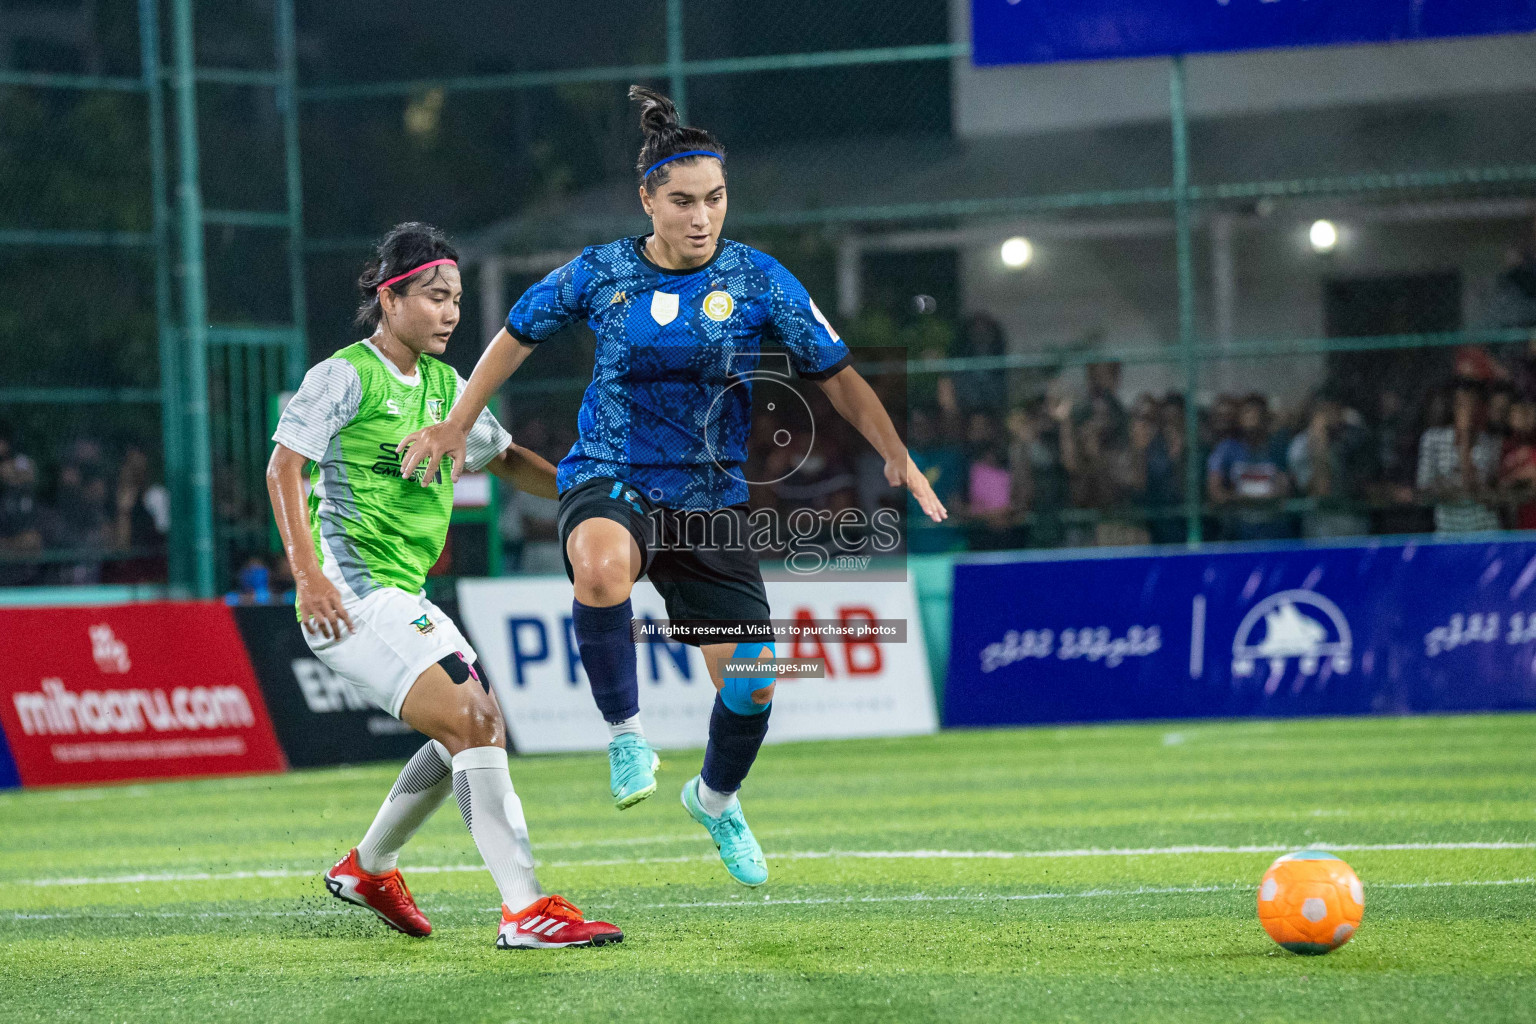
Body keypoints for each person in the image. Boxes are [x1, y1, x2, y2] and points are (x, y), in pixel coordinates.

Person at [396, 88, 947, 888]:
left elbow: (837, 375)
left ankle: (715, 799)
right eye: (683, 201)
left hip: (710, 502)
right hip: (611, 474)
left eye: (715, 200)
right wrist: (456, 424)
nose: (702, 217)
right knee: (599, 567)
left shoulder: (759, 279)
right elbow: (514, 336)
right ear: (647, 200)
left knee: (756, 680)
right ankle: (626, 734)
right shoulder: (602, 271)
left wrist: (895, 453)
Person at [266, 222, 622, 950]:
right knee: (475, 720)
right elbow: (284, 469)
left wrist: (598, 500)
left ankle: (369, 868)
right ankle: (525, 910)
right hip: (351, 591)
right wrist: (307, 576)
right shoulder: (344, 376)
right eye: (433, 296)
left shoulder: (447, 389)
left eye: (456, 297)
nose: (451, 312)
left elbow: (510, 458)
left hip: (401, 592)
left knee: (470, 722)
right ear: (389, 297)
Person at [1416, 379, 1501, 534]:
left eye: (1472, 405)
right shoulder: (1432, 439)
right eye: (1462, 404)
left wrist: (1465, 440)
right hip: (1448, 530)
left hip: (1483, 529)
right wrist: (1446, 488)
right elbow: (1424, 487)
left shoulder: (1490, 443)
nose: (1468, 411)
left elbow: (1473, 488)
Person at [1206, 393, 1295, 541]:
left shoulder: (1277, 450)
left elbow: (1283, 491)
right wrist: (1251, 499)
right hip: (1239, 533)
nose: (1252, 418)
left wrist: (1240, 499)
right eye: (1247, 412)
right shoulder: (1227, 450)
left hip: (1274, 533)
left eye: (1257, 413)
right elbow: (1216, 493)